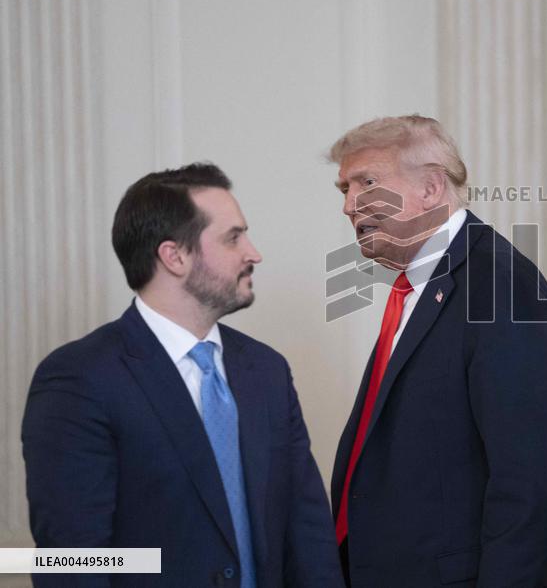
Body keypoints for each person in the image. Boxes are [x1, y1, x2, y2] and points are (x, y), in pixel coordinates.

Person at [22, 163, 342, 587]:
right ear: (174, 256)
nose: (253, 253)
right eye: (233, 237)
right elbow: (76, 560)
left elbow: (307, 532)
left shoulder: (267, 371)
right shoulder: (79, 379)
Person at [328, 115, 547, 586]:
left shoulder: (498, 287)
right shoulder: (421, 288)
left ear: (432, 188)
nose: (350, 205)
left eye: (367, 182)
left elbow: (526, 486)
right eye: (344, 189)